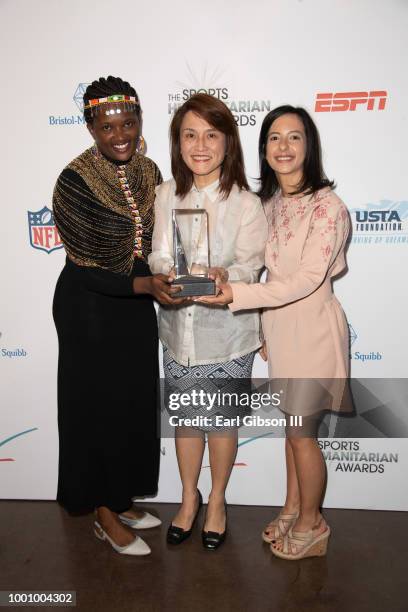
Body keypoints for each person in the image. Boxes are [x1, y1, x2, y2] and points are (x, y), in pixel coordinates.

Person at [197, 105, 350, 560]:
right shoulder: (269, 205)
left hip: (314, 330)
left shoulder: (328, 207)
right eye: (274, 138)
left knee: (302, 432)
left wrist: (236, 296)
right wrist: (219, 278)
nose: (284, 147)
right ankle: (292, 507)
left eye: (294, 137)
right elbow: (257, 266)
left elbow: (304, 279)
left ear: (309, 145)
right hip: (281, 328)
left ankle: (312, 524)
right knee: (293, 429)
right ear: (263, 148)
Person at [53, 76, 181, 556]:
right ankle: (102, 513)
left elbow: (151, 246)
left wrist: (168, 277)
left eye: (128, 122)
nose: (120, 134)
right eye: (108, 126)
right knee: (97, 410)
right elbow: (85, 269)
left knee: (131, 402)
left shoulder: (148, 171)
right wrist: (144, 285)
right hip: (89, 308)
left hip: (133, 307)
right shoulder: (74, 181)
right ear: (90, 128)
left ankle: (122, 497)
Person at [148, 93, 267, 550]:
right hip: (178, 333)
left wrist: (223, 275)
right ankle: (187, 498)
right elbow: (159, 252)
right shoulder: (165, 194)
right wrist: (166, 271)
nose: (200, 145)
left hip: (228, 337)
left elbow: (250, 266)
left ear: (227, 142)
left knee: (219, 421)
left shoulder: (245, 203)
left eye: (211, 134)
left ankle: (216, 500)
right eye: (189, 134)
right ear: (178, 142)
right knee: (186, 421)